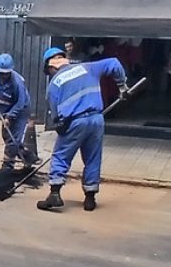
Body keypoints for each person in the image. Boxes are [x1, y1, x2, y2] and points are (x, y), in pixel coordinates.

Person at [38, 47, 128, 213]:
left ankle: (55, 194)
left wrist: (59, 125)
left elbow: (56, 115)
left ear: (51, 67)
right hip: (96, 119)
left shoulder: (54, 84)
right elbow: (114, 63)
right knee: (93, 157)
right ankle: (90, 198)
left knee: (61, 155)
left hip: (74, 122)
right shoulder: (88, 67)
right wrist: (121, 85)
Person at [0, 53, 35, 170]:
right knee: (6, 135)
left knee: (13, 138)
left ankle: (8, 164)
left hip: (20, 111)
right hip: (5, 109)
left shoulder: (17, 83)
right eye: (2, 73)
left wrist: (10, 117)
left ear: (10, 71)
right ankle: (26, 154)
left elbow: (20, 103)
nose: (3, 75)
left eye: (6, 73)